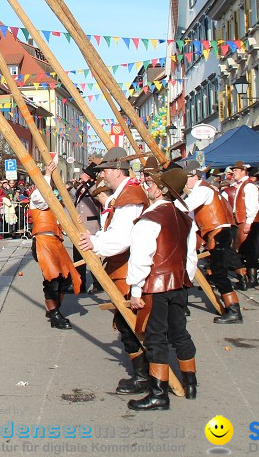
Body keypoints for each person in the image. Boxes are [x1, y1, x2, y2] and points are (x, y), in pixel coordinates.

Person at [76, 146, 149, 395]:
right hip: (125, 268)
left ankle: (143, 377)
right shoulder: (125, 194)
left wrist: (94, 243)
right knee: (130, 323)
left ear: (116, 170)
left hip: (130, 270)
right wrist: (97, 239)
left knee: (131, 324)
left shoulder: (129, 197)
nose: (103, 175)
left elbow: (122, 239)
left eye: (105, 170)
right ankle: (146, 373)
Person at [125, 167, 198, 411]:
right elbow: (191, 256)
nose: (148, 186)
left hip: (156, 287)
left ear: (163, 188)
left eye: (152, 183)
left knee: (156, 338)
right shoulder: (185, 217)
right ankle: (190, 384)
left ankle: (159, 395)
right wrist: (185, 279)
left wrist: (136, 290)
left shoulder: (151, 219)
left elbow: (141, 257)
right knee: (179, 333)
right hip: (180, 284)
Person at [181, 162, 242, 324]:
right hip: (216, 233)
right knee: (217, 272)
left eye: (187, 178)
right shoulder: (203, 190)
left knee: (219, 272)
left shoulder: (203, 190)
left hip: (219, 233)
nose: (185, 182)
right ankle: (232, 309)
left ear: (195, 176)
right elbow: (193, 219)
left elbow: (185, 207)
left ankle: (234, 310)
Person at [28, 159, 80, 329]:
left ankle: (53, 308)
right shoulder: (37, 195)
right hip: (43, 241)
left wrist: (74, 221)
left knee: (66, 278)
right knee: (52, 279)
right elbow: (43, 199)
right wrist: (47, 175)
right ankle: (54, 313)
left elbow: (62, 221)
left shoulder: (55, 201)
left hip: (56, 241)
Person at [223, 162, 259, 290]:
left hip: (247, 221)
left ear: (244, 171)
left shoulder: (249, 186)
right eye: (233, 170)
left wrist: (248, 223)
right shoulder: (237, 185)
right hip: (239, 220)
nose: (234, 173)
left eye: (237, 170)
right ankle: (247, 277)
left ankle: (252, 278)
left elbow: (253, 206)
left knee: (249, 249)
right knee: (241, 249)